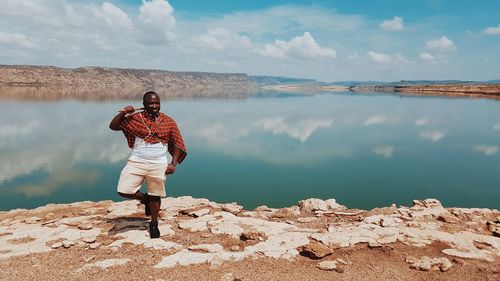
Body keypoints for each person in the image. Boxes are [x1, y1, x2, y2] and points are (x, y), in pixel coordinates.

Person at [109, 91, 187, 238]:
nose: (154, 106)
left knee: (155, 195)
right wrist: (123, 113)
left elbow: (177, 143)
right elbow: (114, 126)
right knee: (124, 189)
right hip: (137, 161)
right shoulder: (134, 119)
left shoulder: (168, 121)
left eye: (157, 103)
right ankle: (145, 200)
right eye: (150, 103)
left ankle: (154, 224)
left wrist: (174, 164)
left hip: (159, 163)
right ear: (144, 105)